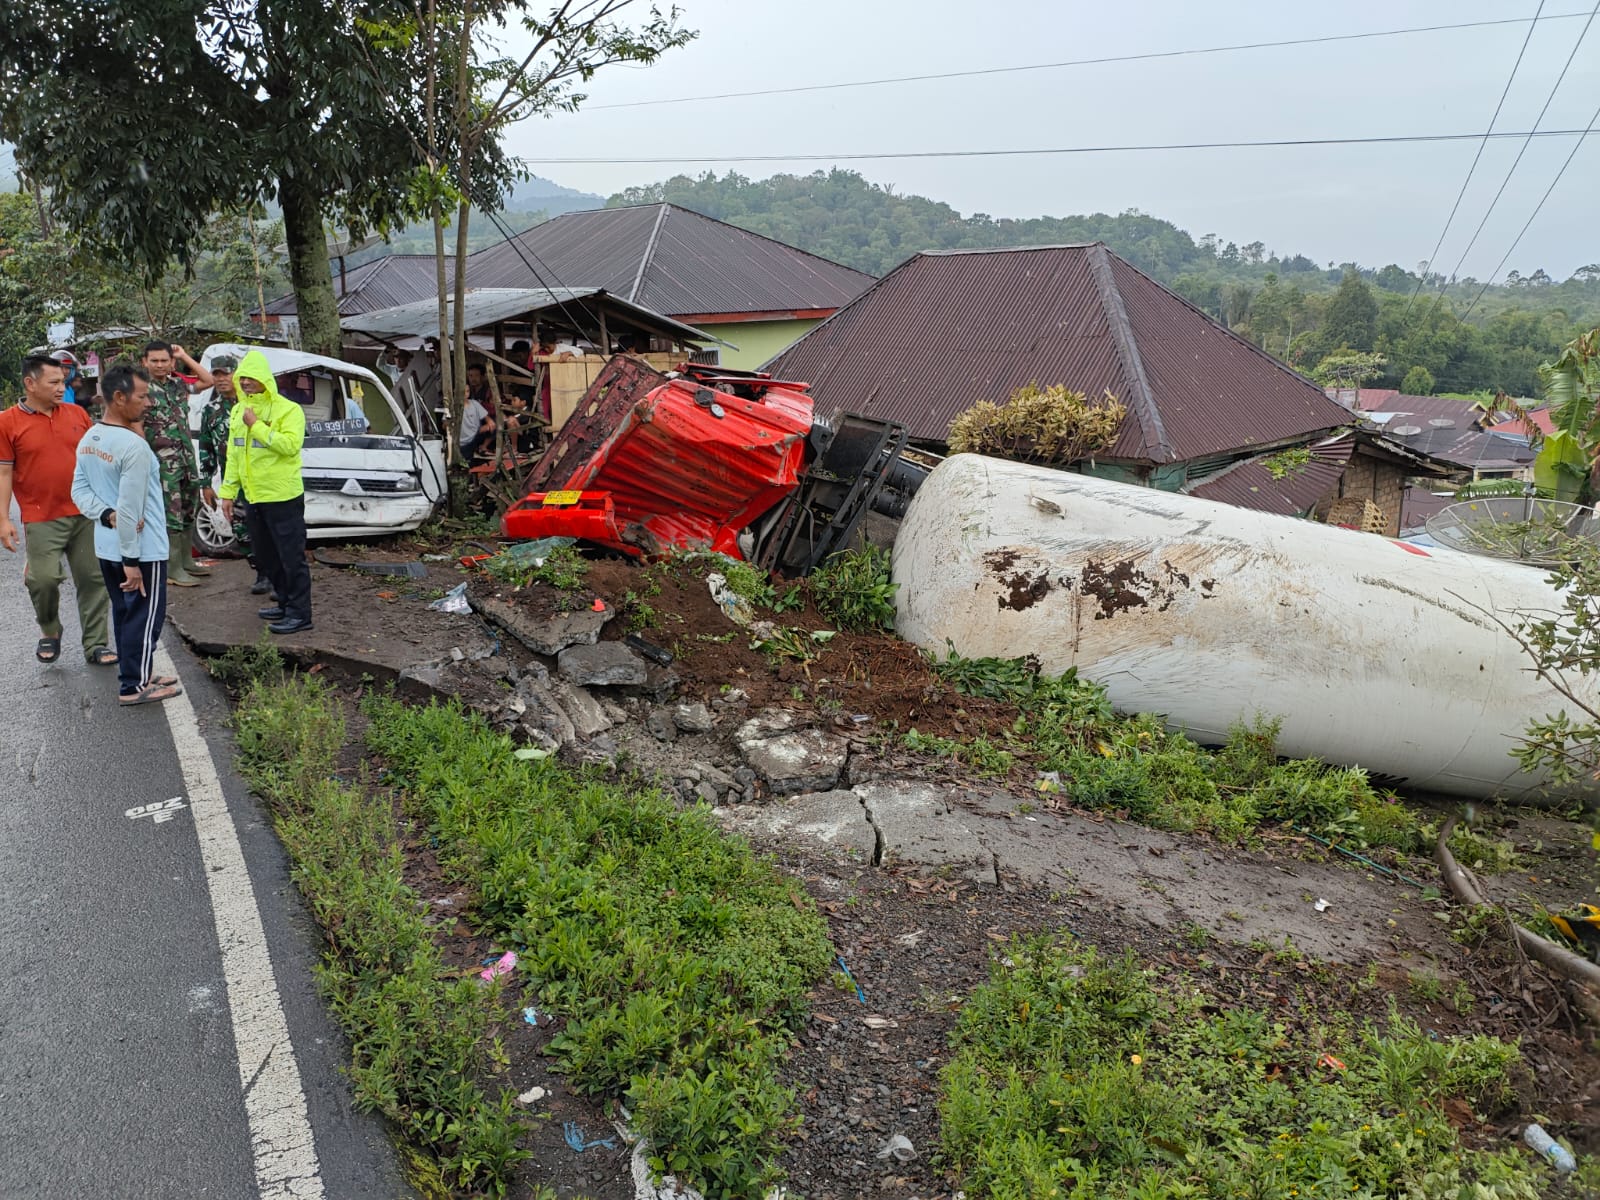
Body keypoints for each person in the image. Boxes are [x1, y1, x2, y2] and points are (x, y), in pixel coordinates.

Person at [69, 364, 182, 705]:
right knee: (146, 617)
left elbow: (79, 490)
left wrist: (105, 514)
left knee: (124, 614)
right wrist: (132, 560)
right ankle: (133, 686)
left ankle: (139, 671)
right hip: (140, 552)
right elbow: (131, 509)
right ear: (119, 398)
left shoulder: (91, 438)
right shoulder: (134, 448)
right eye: (143, 396)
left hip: (107, 547)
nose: (149, 403)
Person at [0, 355, 115, 666]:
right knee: (43, 580)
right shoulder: (7, 422)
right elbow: (4, 473)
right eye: (53, 382)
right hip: (41, 516)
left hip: (85, 513)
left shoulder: (77, 414)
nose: (60, 387)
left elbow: (96, 459)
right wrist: (3, 520)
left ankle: (96, 645)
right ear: (30, 383)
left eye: (62, 381)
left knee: (93, 579)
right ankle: (50, 630)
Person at [219, 350, 312, 634]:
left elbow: (289, 446)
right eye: (242, 378)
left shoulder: (288, 410)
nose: (245, 383)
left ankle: (300, 614)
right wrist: (227, 491)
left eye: (251, 377)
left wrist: (256, 426)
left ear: (265, 379)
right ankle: (284, 604)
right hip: (254, 497)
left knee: (291, 558)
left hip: (282, 497)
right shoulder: (238, 410)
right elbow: (234, 454)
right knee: (267, 557)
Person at [139, 340, 213, 587]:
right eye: (155, 361)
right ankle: (172, 568)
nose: (160, 365)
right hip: (161, 462)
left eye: (164, 360)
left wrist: (184, 355)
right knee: (171, 513)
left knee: (189, 508)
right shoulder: (140, 390)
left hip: (185, 458)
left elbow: (208, 381)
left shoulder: (177, 385)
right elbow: (135, 426)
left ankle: (186, 561)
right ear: (144, 362)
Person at [195, 355, 265, 593]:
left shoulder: (256, 404)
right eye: (216, 374)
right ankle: (260, 572)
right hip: (233, 482)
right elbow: (206, 448)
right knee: (241, 530)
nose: (221, 379)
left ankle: (276, 575)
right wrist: (205, 483)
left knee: (268, 529)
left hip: (261, 480)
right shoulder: (210, 410)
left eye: (226, 373)